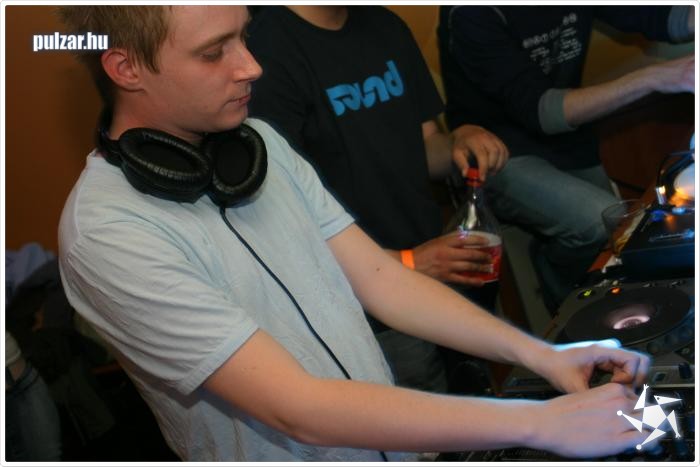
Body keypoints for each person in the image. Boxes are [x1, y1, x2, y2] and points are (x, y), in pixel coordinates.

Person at [58, 5, 652, 462]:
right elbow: (296, 408)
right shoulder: (108, 233)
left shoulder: (260, 144)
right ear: (125, 68)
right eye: (215, 52)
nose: (251, 66)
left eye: (243, 36)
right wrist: (540, 422)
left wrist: (543, 355)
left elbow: (381, 280)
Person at [246, 6, 508, 391]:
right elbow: (283, 220)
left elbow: (426, 147)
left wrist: (459, 142)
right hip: (368, 300)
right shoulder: (263, 48)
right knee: (428, 419)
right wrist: (407, 262)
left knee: (481, 397)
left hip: (438, 265)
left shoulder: (385, 25)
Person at [438, 5, 695, 310]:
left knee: (622, 231)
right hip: (497, 152)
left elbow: (663, 18)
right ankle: (564, 299)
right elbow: (543, 112)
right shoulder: (471, 13)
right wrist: (655, 78)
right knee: (595, 222)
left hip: (568, 137)